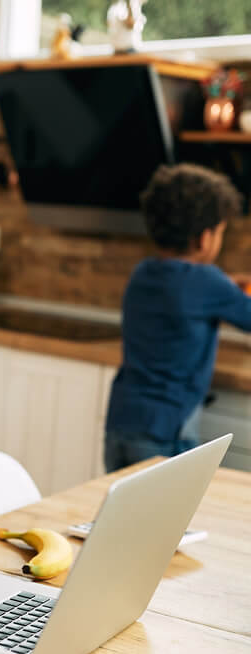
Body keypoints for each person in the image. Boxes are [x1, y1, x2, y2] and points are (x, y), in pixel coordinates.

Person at [104, 163, 251, 472]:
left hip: (121, 423)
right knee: (166, 518)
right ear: (204, 238)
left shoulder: (142, 273)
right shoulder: (209, 283)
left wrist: (225, 286)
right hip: (166, 432)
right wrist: (229, 289)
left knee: (126, 516)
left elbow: (185, 289)